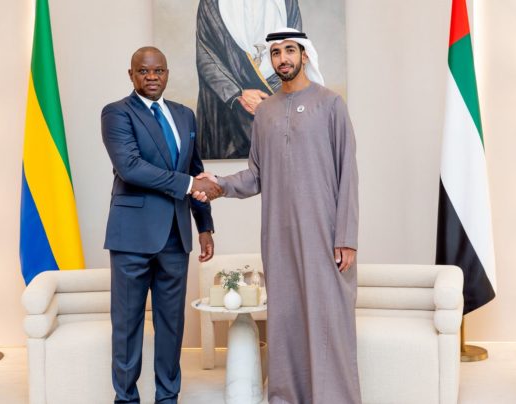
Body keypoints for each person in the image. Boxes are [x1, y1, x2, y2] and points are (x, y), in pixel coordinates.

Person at [194, 28, 361, 403]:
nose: (282, 58)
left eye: (289, 50)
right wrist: (219, 184)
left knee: (328, 321)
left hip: (325, 236)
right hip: (278, 237)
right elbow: (256, 175)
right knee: (286, 320)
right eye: (275, 53)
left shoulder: (330, 104)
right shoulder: (265, 112)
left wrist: (346, 237)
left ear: (304, 55)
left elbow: (348, 174)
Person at [101, 46, 221, 404]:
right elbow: (131, 167)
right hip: (131, 238)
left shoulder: (185, 116)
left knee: (172, 325)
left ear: (167, 73)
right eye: (143, 71)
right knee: (127, 325)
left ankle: (168, 397)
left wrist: (204, 226)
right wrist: (189, 184)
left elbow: (195, 170)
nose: (151, 77)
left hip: (175, 237)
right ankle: (126, 398)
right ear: (131, 75)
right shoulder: (117, 113)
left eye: (158, 71)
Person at [196, 0, 302, 159]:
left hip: (277, 104)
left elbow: (295, 51)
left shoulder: (288, 2)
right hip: (228, 109)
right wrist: (237, 94)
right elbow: (206, 55)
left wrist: (275, 99)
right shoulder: (211, 3)